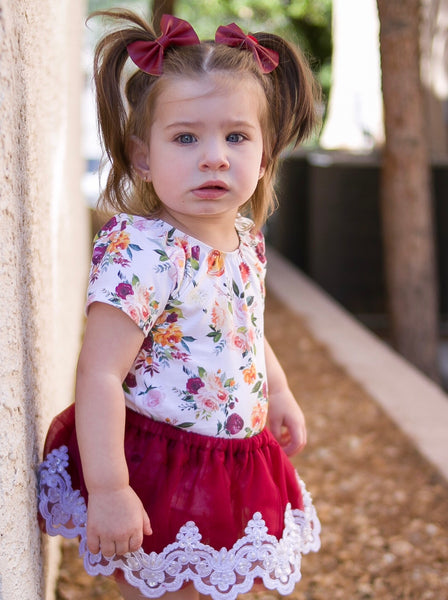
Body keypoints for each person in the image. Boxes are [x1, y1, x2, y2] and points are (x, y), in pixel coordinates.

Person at [38, 9, 321, 600]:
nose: (214, 156)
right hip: (161, 466)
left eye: (236, 136)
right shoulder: (145, 252)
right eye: (186, 137)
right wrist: (111, 488)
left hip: (235, 461)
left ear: (265, 155)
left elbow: (240, 325)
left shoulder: (244, 239)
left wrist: (278, 390)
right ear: (144, 157)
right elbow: (100, 372)